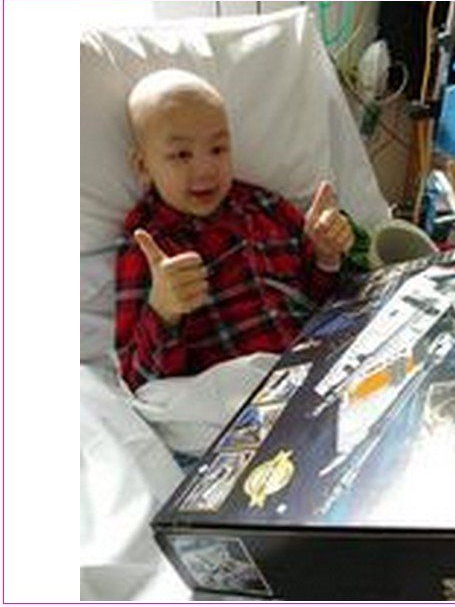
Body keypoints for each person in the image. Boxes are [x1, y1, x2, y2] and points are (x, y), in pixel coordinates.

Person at [116, 69, 355, 392]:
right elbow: (137, 381)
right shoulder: (148, 245)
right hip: (235, 399)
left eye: (218, 149)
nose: (205, 169)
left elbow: (321, 299)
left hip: (315, 373)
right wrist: (163, 312)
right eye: (181, 154)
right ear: (144, 166)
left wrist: (326, 256)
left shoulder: (266, 207)